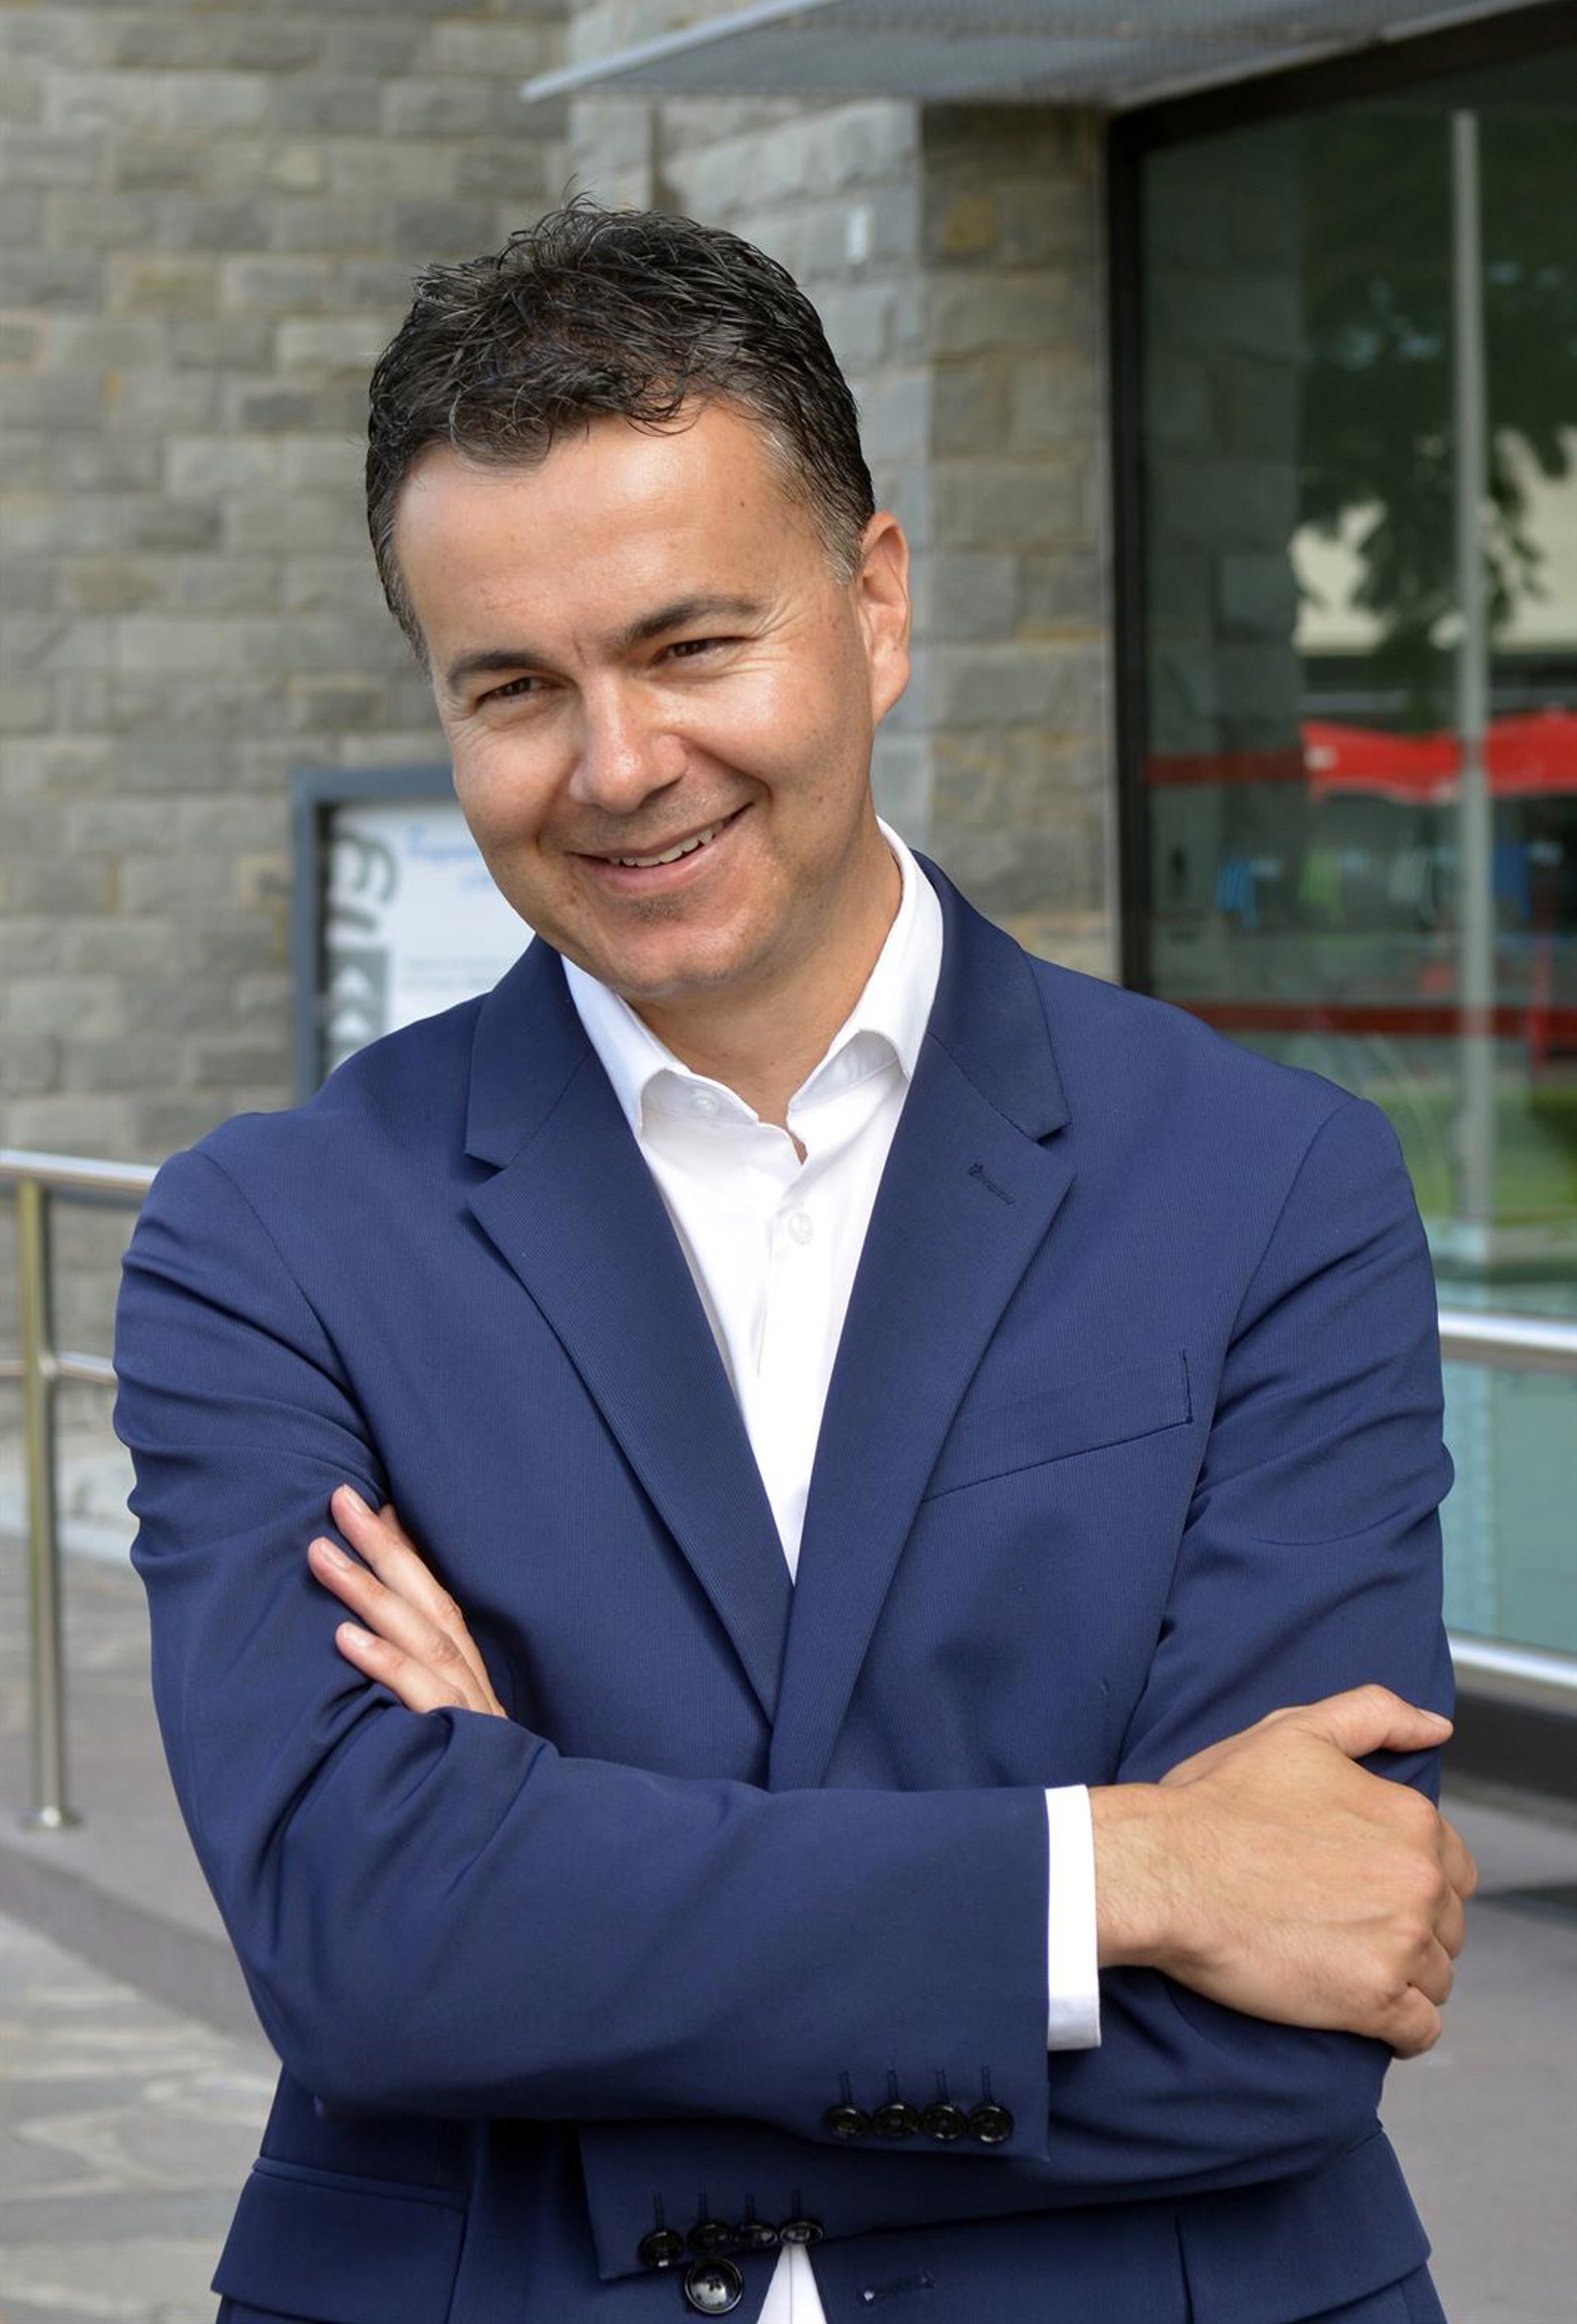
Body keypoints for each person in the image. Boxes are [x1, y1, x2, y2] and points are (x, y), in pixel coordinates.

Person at [114, 201, 1476, 2324]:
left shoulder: (1271, 1189)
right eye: (513, 688)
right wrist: (1118, 1870)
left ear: (876, 600)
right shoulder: (269, 1243)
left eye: (688, 646)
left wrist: (544, 1893)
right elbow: (366, 1948)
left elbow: (1303, 1997)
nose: (618, 766)